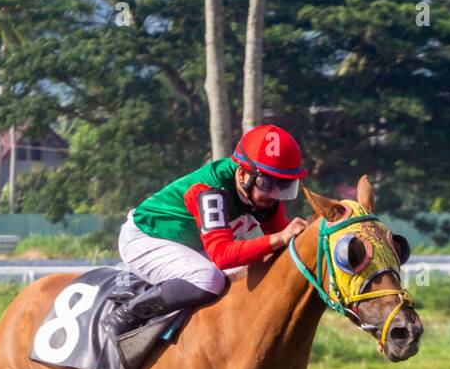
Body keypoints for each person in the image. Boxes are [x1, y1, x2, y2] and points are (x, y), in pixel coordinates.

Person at [106, 124, 310, 337]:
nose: (275, 194)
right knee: (208, 279)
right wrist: (279, 238)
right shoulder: (209, 191)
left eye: (284, 185)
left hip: (190, 246)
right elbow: (222, 255)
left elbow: (288, 249)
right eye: (267, 184)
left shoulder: (263, 197)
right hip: (146, 237)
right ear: (243, 175)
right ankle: (126, 315)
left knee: (246, 274)